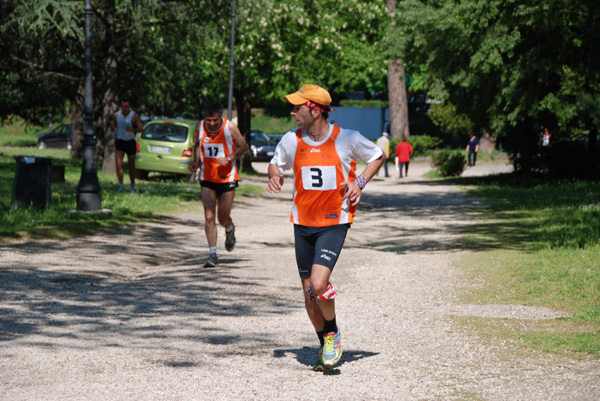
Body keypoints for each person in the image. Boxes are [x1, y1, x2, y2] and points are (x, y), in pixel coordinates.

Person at [267, 84, 383, 371]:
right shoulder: (292, 140)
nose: (292, 112)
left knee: (319, 284)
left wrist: (360, 182)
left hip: (334, 221)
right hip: (303, 223)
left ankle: (331, 333)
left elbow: (378, 155)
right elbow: (275, 163)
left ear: (315, 110)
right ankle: (324, 343)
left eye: (297, 107)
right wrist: (275, 176)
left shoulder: (346, 138)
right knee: (309, 296)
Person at [189, 102, 248, 268]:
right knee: (209, 216)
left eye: (215, 120)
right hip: (207, 177)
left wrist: (229, 158)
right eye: (209, 120)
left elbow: (244, 147)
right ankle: (212, 253)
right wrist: (196, 162)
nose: (212, 124)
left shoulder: (230, 127)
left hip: (227, 178)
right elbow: (198, 147)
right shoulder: (200, 127)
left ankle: (229, 229)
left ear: (220, 117)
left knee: (222, 217)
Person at [110, 96, 143, 193]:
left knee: (131, 165)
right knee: (118, 164)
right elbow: (113, 126)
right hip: (120, 141)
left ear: (129, 107)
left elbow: (141, 129)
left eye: (126, 107)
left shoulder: (134, 116)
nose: (124, 109)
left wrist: (133, 130)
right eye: (123, 106)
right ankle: (121, 185)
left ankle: (132, 185)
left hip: (130, 142)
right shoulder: (117, 115)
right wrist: (111, 133)